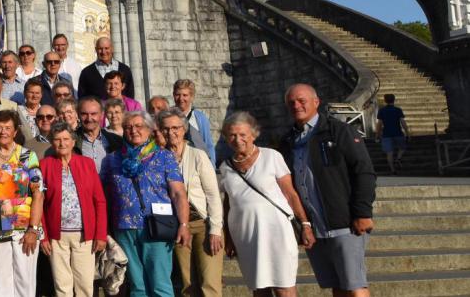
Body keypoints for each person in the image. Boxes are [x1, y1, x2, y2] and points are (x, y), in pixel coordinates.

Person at [279, 84, 376, 297]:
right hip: (316, 228)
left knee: (355, 285)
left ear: (316, 102)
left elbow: (364, 171)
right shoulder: (288, 140)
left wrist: (362, 212)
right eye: (291, 102)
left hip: (344, 223)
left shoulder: (338, 130)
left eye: (301, 101)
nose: (296, 105)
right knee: (337, 285)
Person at [220, 111, 316, 296]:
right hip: (245, 233)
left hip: (276, 231)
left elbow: (290, 194)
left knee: (284, 287)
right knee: (259, 288)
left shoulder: (272, 156)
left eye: (242, 134)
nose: (237, 139)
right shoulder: (225, 167)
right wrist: (228, 237)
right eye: (231, 134)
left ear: (253, 134)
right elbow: (228, 203)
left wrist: (305, 224)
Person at [102, 111, 191, 297]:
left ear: (150, 129)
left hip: (157, 226)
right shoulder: (111, 160)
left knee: (160, 285)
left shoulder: (164, 157)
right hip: (124, 228)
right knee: (137, 286)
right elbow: (105, 197)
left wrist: (183, 224)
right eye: (128, 127)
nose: (133, 131)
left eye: (138, 126)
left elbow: (178, 193)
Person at [0, 110, 45, 297]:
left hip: (25, 231)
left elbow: (38, 194)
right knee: (1, 286)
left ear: (15, 132)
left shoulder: (27, 156)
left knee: (26, 285)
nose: (3, 132)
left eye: (8, 128)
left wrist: (33, 229)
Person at [157, 108, 223, 297]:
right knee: (187, 285)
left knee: (209, 285)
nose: (171, 133)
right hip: (177, 227)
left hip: (203, 224)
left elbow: (213, 195)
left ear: (184, 129)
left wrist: (215, 229)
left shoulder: (198, 155)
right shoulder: (158, 158)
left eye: (175, 128)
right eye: (166, 129)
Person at [38, 122, 107, 297]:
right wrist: (43, 236)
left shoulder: (87, 164)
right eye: (57, 140)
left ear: (73, 141)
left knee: (84, 284)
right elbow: (39, 203)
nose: (62, 143)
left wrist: (100, 234)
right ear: (52, 143)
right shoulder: (44, 165)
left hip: (84, 235)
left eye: (66, 139)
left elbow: (99, 201)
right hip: (56, 236)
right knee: (62, 285)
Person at [174, 79, 217, 164]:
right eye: (177, 95)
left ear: (192, 97)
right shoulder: (168, 117)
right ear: (173, 95)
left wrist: (212, 166)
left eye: (185, 95)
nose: (181, 98)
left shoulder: (200, 118)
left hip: (197, 163)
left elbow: (208, 144)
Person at [75, 97, 122, 172]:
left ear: (102, 115)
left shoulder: (116, 141)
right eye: (84, 114)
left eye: (93, 114)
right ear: (78, 115)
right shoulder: (70, 141)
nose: (89, 118)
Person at [376, 93, 410, 175]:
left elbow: (379, 124)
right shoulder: (398, 110)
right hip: (398, 133)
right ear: (394, 100)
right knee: (402, 148)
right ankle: (398, 158)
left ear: (385, 100)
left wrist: (377, 134)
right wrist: (407, 133)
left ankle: (393, 170)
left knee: (389, 153)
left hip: (386, 134)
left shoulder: (382, 111)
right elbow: (403, 122)